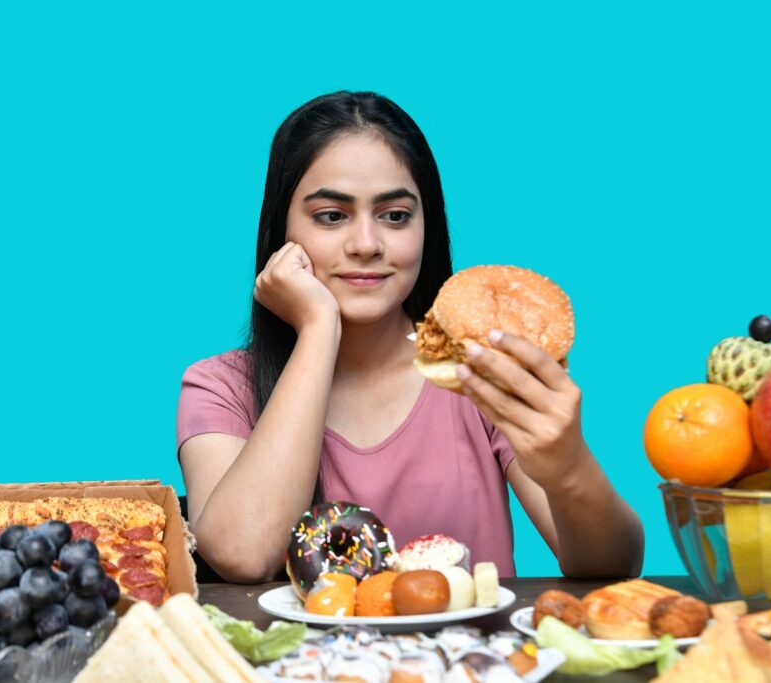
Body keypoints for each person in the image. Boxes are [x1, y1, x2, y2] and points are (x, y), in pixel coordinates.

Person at [177, 91, 643, 583]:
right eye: (331, 216)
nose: (366, 245)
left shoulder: (479, 371)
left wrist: (569, 465)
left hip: (472, 660)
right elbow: (242, 556)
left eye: (395, 215)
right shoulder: (218, 387)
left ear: (427, 226)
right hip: (297, 662)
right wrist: (318, 330)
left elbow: (613, 565)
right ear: (282, 231)